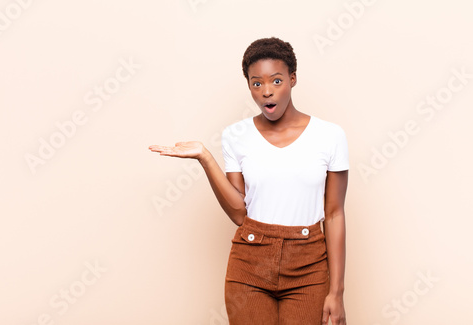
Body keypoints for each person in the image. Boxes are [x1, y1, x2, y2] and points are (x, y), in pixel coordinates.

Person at [149, 37, 348, 325]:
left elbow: (334, 213)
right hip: (250, 262)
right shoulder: (235, 136)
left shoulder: (330, 136)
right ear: (250, 86)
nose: (267, 92)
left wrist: (337, 292)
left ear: (292, 79)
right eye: (257, 84)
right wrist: (205, 157)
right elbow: (239, 213)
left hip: (309, 264)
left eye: (276, 81)